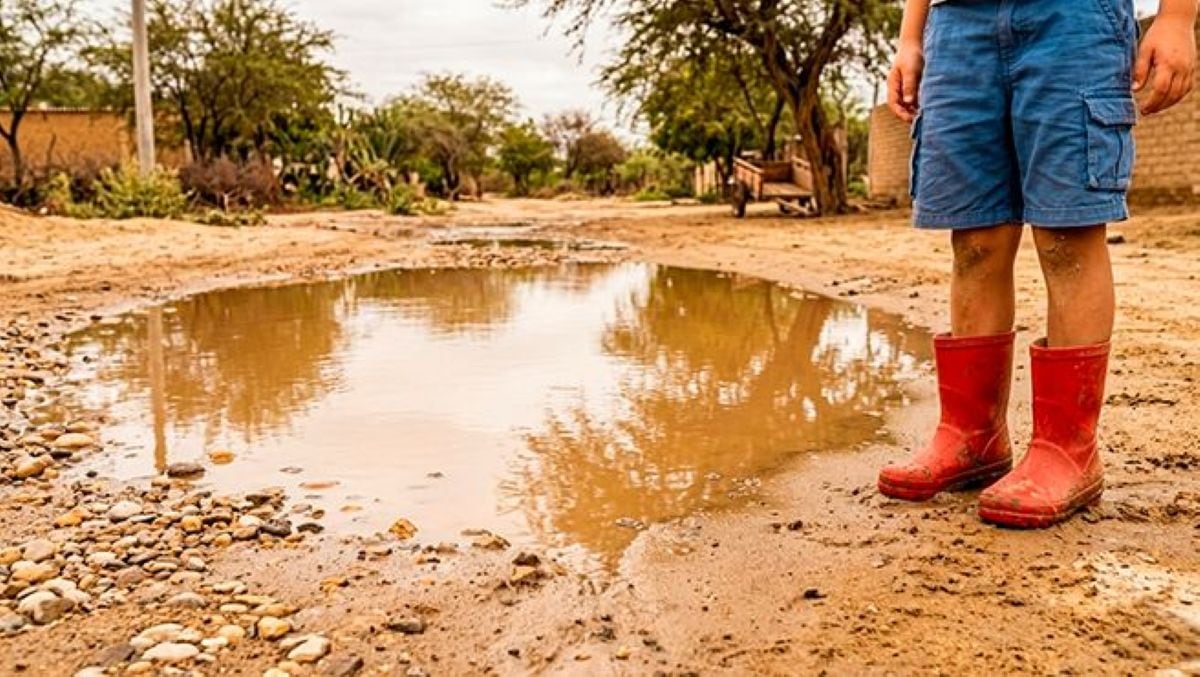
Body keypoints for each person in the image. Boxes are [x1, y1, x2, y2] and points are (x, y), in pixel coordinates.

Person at [877, 0, 1197, 527]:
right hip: (957, 25)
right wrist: (911, 36)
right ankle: (970, 437)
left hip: (1073, 20)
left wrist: (1178, 17)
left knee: (1067, 234)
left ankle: (1067, 451)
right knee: (975, 237)